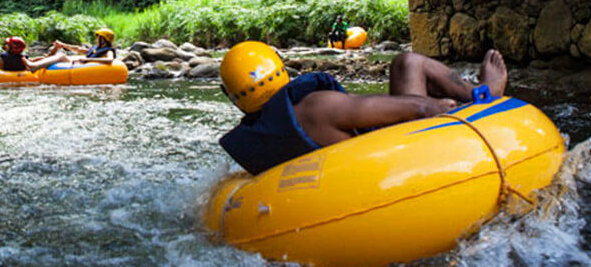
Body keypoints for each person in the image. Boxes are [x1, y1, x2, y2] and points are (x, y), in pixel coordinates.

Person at [217, 40, 508, 175]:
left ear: (230, 96)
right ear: (282, 69)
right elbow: (421, 111)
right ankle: (483, 92)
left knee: (403, 68)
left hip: (346, 181)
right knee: (409, 62)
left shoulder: (260, 137)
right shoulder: (318, 107)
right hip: (405, 164)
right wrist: (444, 106)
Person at [36, 28, 118, 67]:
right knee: (56, 54)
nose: (96, 39)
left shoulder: (108, 51)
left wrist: (87, 59)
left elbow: (109, 60)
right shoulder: (97, 49)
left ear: (103, 39)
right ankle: (32, 63)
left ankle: (35, 66)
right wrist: (63, 45)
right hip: (80, 64)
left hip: (84, 66)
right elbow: (78, 49)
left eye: (98, 37)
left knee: (61, 56)